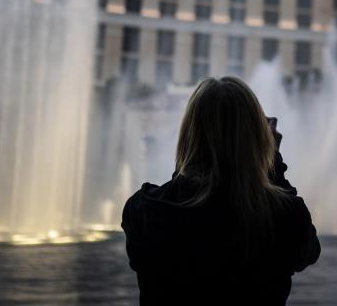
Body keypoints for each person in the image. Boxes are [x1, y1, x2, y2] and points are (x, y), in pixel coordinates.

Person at [122, 76, 320, 305]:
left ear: (189, 135)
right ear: (259, 140)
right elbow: (307, 252)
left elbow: (181, 190)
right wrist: (272, 164)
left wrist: (192, 158)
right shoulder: (285, 217)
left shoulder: (144, 211)